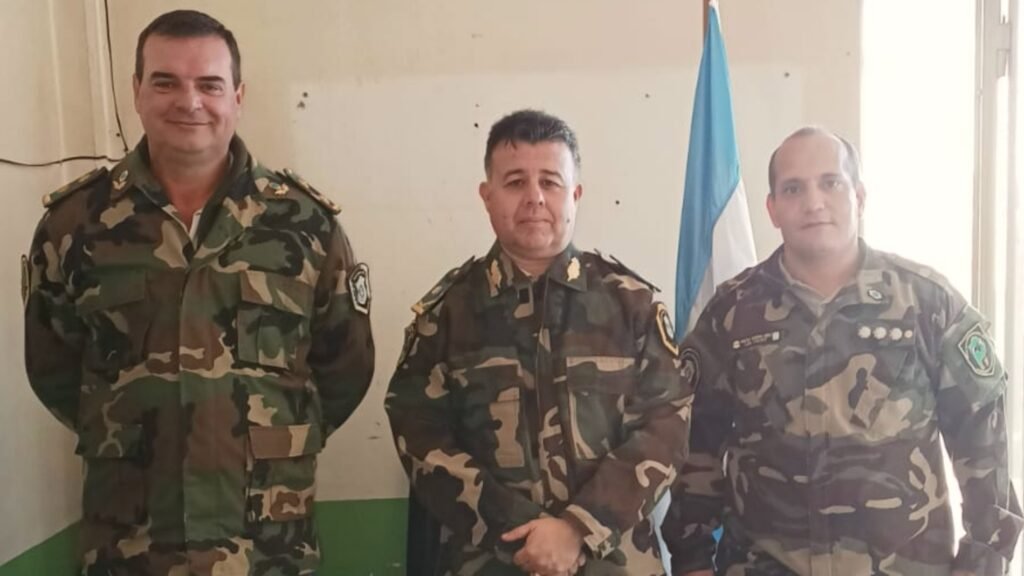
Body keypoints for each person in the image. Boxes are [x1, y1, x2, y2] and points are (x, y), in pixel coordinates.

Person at [22, 9, 374, 574]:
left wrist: (267, 441)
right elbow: (54, 368)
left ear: (237, 96)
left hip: (267, 547)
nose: (189, 102)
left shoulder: (305, 224)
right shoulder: (75, 224)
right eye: (166, 82)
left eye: (209, 84)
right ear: (136, 91)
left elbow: (345, 369)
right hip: (130, 546)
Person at [664, 126, 1022, 576]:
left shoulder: (927, 304)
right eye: (793, 188)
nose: (814, 202)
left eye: (830, 183)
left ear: (860, 196)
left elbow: (983, 445)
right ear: (772, 209)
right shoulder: (731, 313)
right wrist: (692, 559)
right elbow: (694, 442)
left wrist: (982, 564)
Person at [385, 109, 693, 575]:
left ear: (575, 194)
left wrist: (577, 528)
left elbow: (666, 425)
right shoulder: (447, 315)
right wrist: (523, 531)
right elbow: (418, 432)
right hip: (489, 561)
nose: (534, 197)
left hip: (614, 561)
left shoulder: (631, 305)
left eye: (550, 182)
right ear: (487, 196)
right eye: (515, 182)